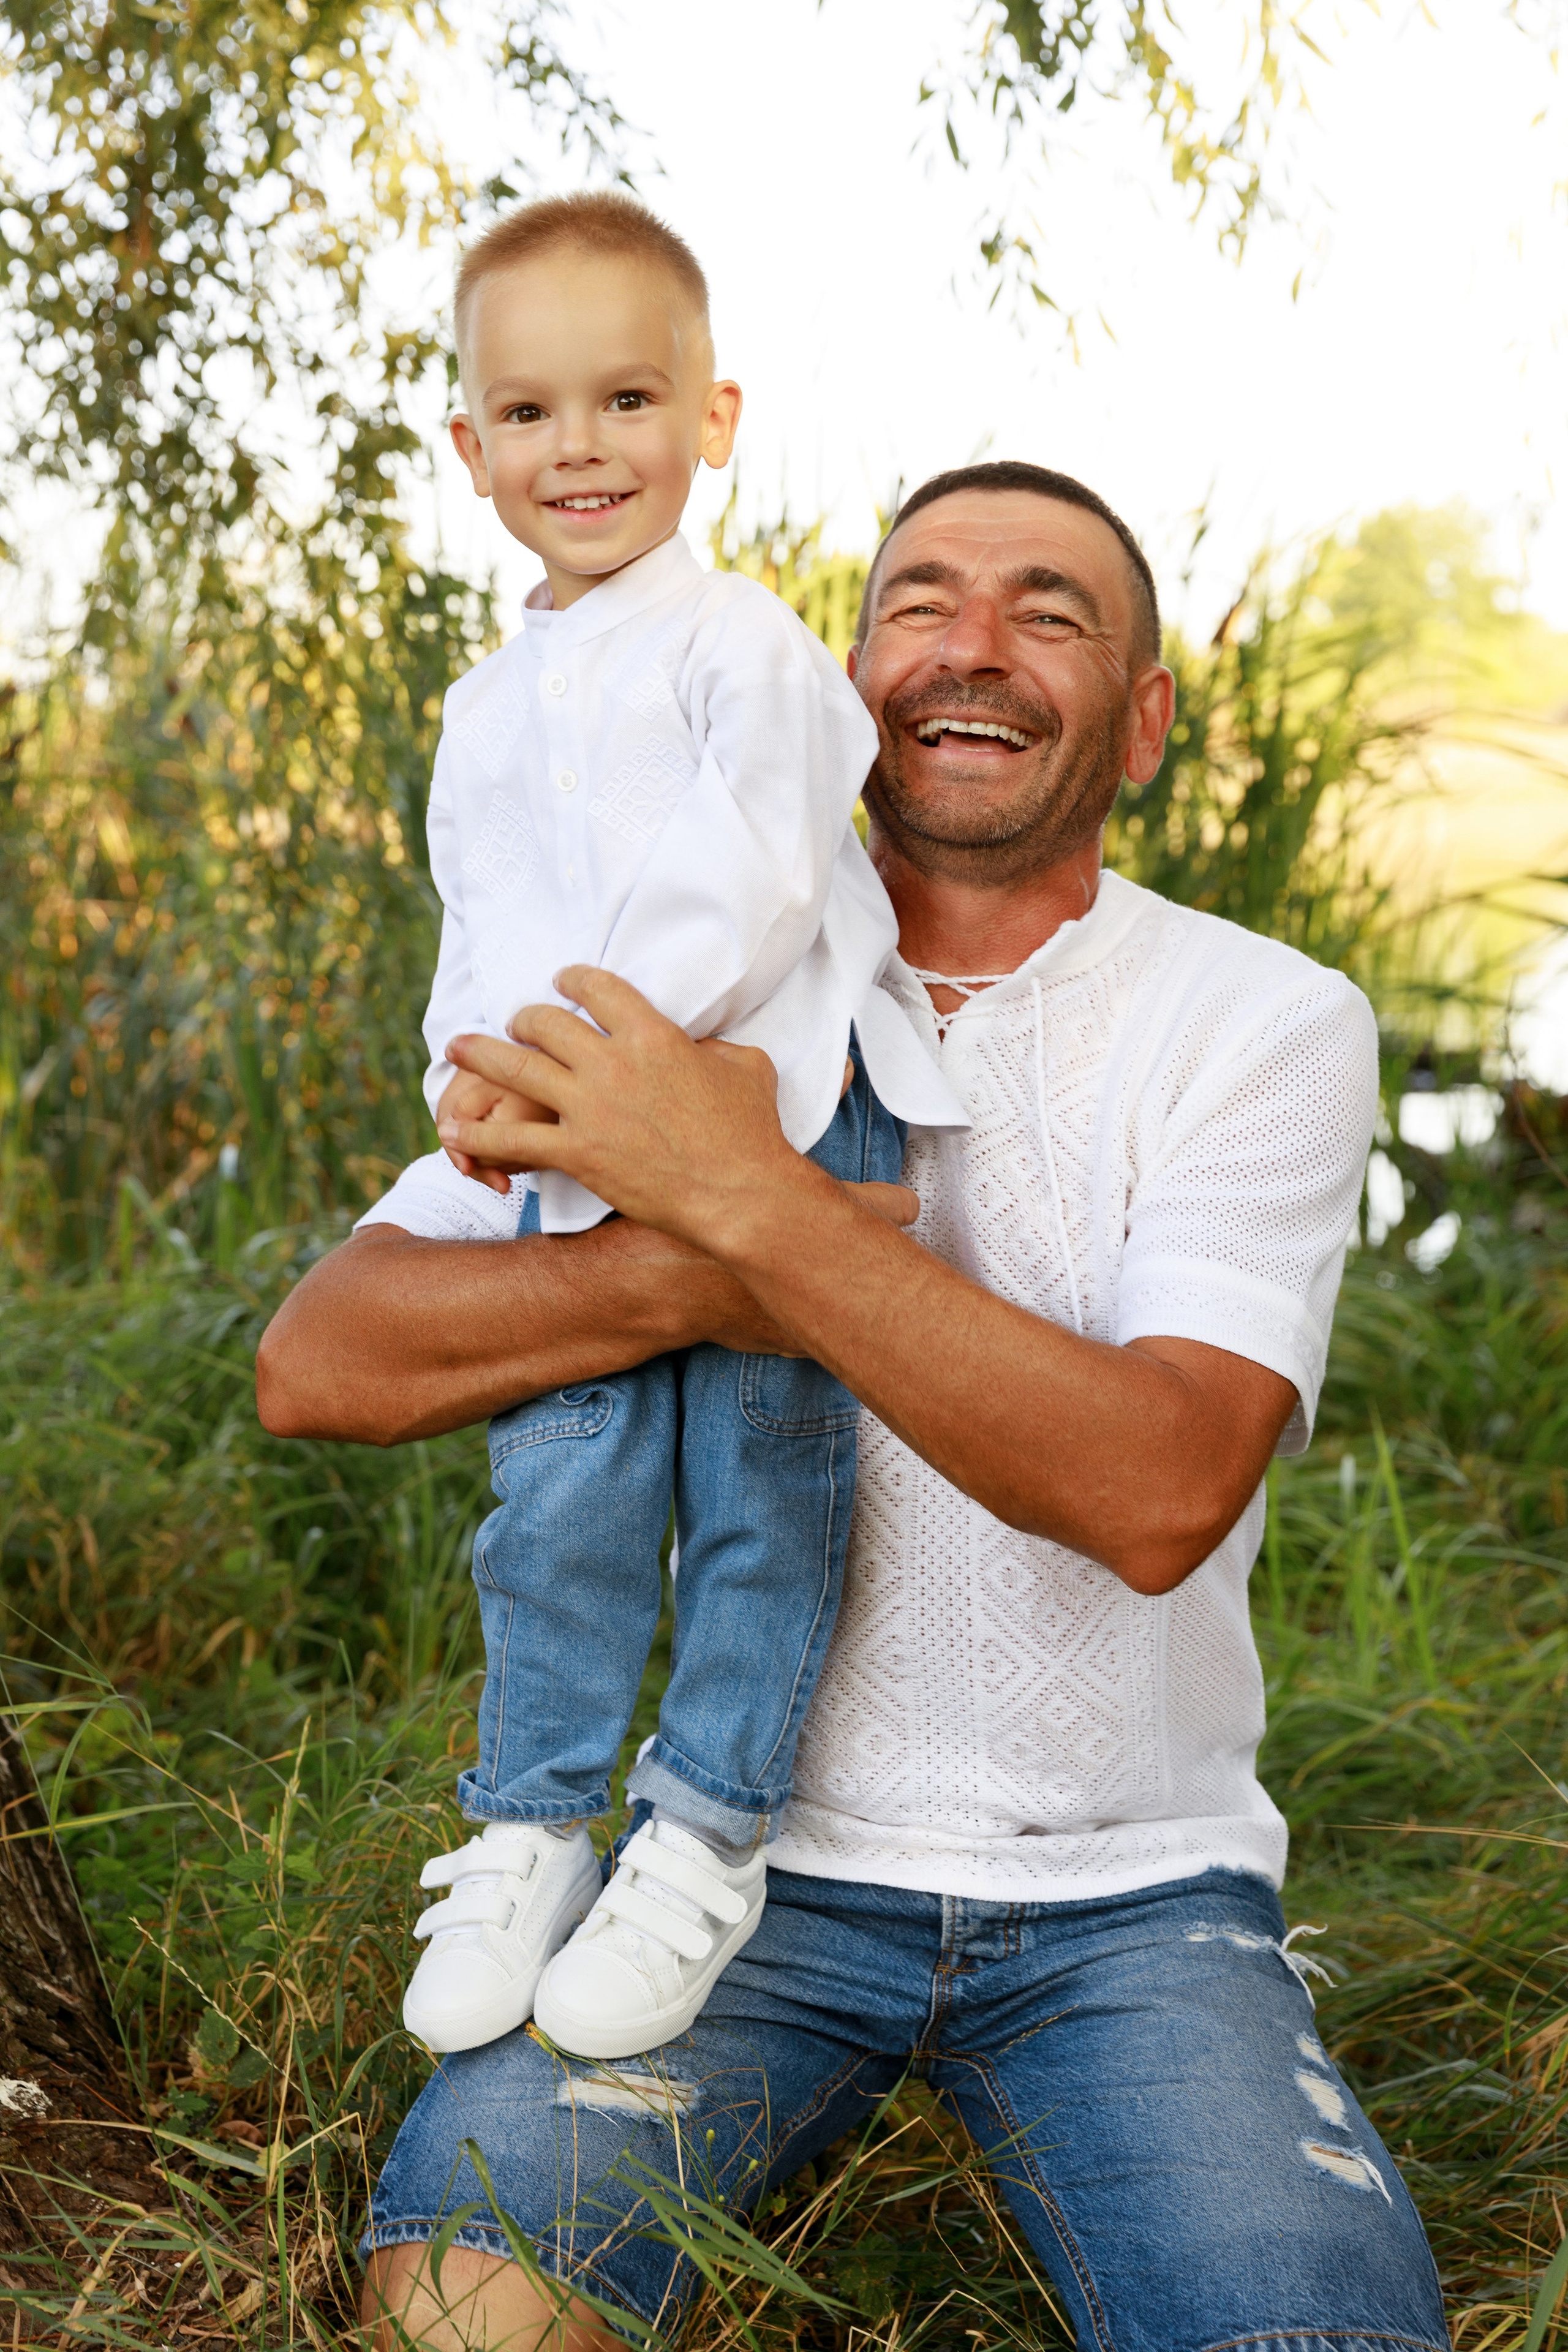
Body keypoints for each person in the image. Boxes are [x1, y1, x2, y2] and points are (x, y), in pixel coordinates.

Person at [257, 461, 1449, 2352]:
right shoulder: (693, 987)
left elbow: (1157, 1488)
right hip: (719, 1876)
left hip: (1133, 1901)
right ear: (845, 674)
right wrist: (683, 1263)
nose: (972, 649)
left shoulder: (1262, 1017)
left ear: (1141, 719)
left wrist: (740, 1197)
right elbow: (322, 1358)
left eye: (1050, 611)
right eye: (922, 603)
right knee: (461, 2315)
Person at [372, 189, 965, 2067]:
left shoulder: (748, 653)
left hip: (773, 1115)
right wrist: (472, 1072)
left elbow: (752, 884)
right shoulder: (483, 706)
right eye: (532, 414)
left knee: (760, 1496)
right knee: (563, 1486)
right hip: (566, 1138)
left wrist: (577, 1069)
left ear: (713, 419)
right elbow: (480, 922)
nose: (582, 449)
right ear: (471, 449)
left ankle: (706, 1831)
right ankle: (532, 1816)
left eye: (630, 400)